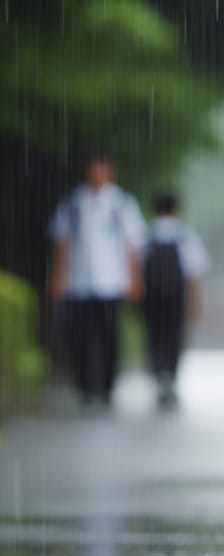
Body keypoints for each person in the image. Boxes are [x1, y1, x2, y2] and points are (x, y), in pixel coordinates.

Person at [49, 153, 146, 406]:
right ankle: (84, 386)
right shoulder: (73, 202)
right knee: (79, 335)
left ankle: (107, 386)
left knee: (110, 334)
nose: (98, 174)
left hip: (112, 280)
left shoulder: (122, 203)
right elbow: (63, 243)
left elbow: (132, 244)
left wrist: (135, 277)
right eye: (94, 169)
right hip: (78, 280)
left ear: (110, 172)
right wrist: (58, 275)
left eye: (103, 169)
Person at [142, 191, 209, 408]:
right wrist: (195, 302)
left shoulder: (147, 235)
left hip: (151, 298)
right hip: (176, 297)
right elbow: (194, 273)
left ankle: (158, 373)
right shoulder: (185, 236)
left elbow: (136, 269)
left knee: (155, 337)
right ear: (176, 209)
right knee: (174, 337)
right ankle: (170, 376)